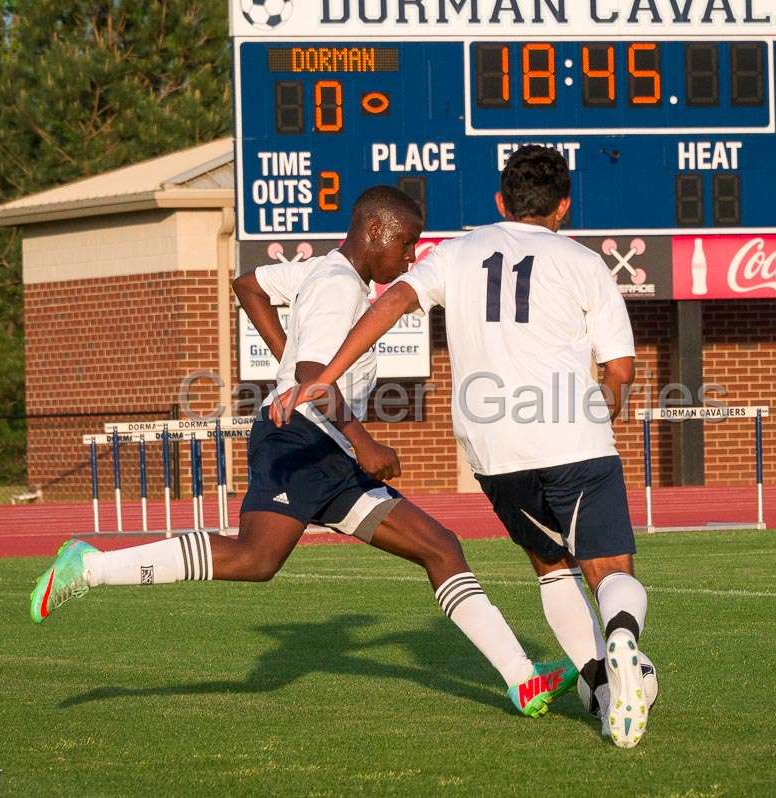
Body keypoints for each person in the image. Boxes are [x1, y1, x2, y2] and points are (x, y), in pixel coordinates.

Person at [28, 185, 576, 718]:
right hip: (303, 440)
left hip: (324, 446)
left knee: (439, 547)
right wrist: (363, 441)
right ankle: (91, 567)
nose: (411, 257)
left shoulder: (323, 270)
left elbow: (248, 285)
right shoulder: (338, 286)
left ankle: (523, 680)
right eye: (406, 243)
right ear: (375, 230)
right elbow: (315, 375)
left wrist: (289, 366)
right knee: (254, 559)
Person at [270, 148, 654, 748]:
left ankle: (603, 687)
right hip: (573, 435)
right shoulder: (584, 262)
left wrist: (324, 375)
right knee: (610, 573)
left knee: (552, 570)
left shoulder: (457, 252)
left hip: (493, 450)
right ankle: (624, 636)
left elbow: (391, 301)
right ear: (563, 205)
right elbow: (621, 370)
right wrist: (605, 407)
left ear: (500, 202)